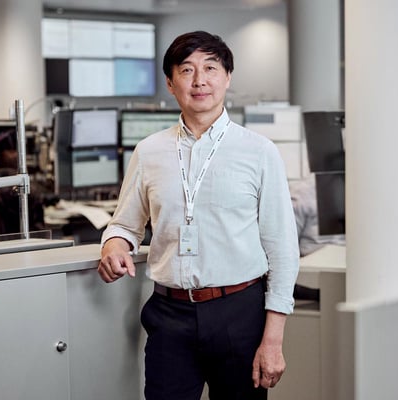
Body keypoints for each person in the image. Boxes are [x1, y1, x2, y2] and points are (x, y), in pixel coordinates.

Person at [99, 31, 299, 399]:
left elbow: (283, 250)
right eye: (187, 70)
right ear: (170, 83)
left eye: (210, 68)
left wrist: (273, 339)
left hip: (239, 314)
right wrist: (113, 245)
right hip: (169, 316)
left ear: (227, 77)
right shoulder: (149, 151)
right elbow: (125, 224)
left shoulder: (259, 152)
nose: (199, 80)